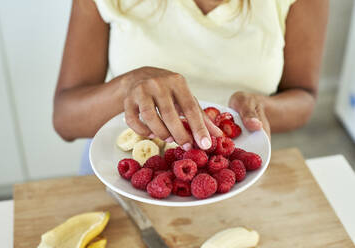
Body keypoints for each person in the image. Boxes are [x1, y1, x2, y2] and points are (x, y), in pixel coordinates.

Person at [53, 0, 328, 174]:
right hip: (119, 171)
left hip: (231, 176)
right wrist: (128, 87)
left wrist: (259, 108)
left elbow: (304, 97)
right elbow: (65, 119)